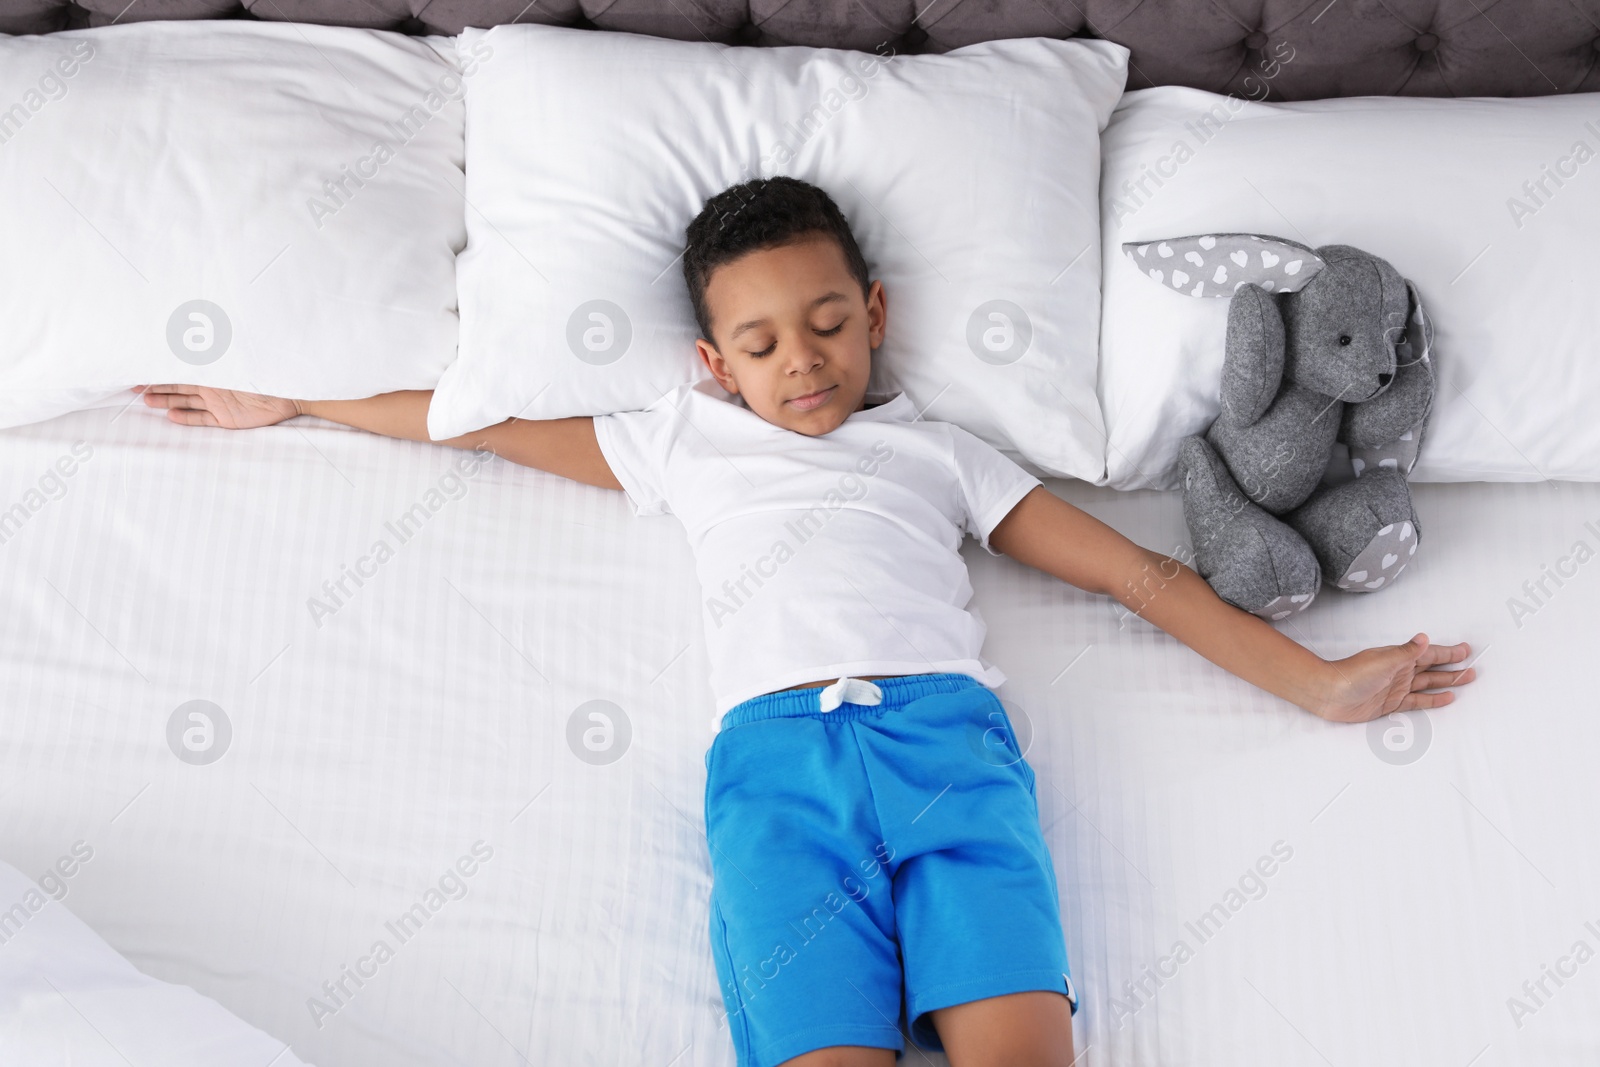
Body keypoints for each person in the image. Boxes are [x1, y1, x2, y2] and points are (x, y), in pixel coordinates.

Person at [136, 176, 1476, 1067]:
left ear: (875, 315)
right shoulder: (682, 444)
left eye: (829, 323)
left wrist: (1312, 684)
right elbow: (471, 423)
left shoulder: (943, 455)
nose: (805, 362)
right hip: (779, 775)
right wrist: (296, 402)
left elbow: (1139, 576)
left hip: (952, 759)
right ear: (713, 365)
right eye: (764, 345)